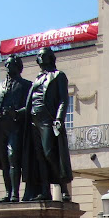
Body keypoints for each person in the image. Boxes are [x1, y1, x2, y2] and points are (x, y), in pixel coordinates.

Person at [23, 47, 73, 202]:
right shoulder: (37, 78)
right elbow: (30, 102)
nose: (39, 58)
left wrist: (59, 118)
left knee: (49, 153)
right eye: (38, 56)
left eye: (43, 55)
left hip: (47, 119)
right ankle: (45, 190)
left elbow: (64, 100)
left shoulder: (58, 75)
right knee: (39, 157)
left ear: (50, 58)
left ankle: (63, 186)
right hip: (33, 120)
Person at [0, 54, 32, 203]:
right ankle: (8, 192)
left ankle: (15, 194)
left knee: (13, 158)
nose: (8, 67)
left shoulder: (26, 85)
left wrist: (16, 113)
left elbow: (30, 107)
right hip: (0, 128)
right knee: (4, 162)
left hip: (16, 128)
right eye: (7, 64)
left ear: (18, 67)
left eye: (11, 64)